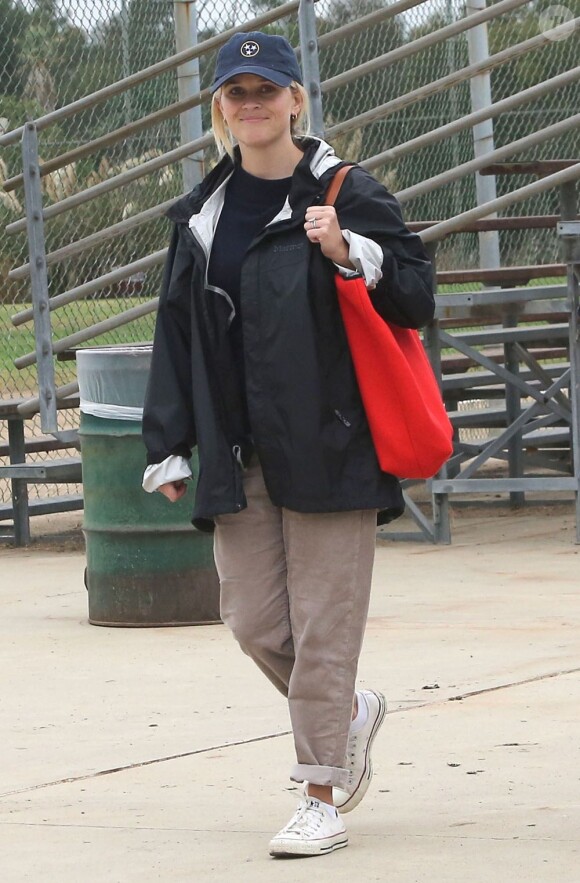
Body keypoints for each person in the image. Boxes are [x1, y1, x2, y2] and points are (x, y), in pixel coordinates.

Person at [142, 30, 435, 858]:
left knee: (323, 626)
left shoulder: (349, 190)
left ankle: (319, 793)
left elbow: (417, 296)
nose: (252, 104)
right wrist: (168, 442)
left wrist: (350, 252)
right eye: (236, 93)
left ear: (297, 99)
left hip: (333, 443)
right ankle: (344, 715)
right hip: (242, 449)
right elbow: (177, 330)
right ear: (220, 109)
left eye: (266, 89)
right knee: (252, 617)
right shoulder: (200, 214)